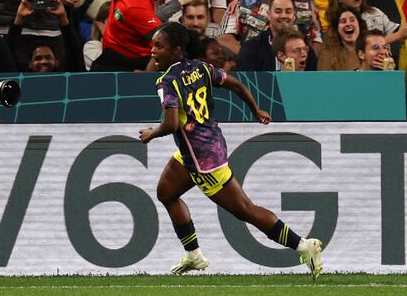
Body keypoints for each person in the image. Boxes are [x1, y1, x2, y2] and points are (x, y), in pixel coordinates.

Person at [138, 22, 323, 277]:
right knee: (166, 192)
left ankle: (304, 246)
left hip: (202, 159)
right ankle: (194, 255)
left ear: (176, 50)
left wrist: (151, 133)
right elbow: (235, 84)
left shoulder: (167, 81)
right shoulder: (201, 68)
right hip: (202, 147)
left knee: (246, 210)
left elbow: (170, 124)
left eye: (159, 46)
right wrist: (255, 109)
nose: (153, 51)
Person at [238, 0, 318, 71]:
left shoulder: (307, 51)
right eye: (278, 11)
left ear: (294, 15)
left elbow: (311, 81)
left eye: (288, 11)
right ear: (268, 15)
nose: (283, 16)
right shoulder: (251, 48)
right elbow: (248, 82)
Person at [318, 6, 363, 71]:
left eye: (352, 20)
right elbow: (323, 80)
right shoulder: (327, 54)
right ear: (337, 29)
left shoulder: (368, 51)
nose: (348, 24)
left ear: (359, 25)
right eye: (343, 21)